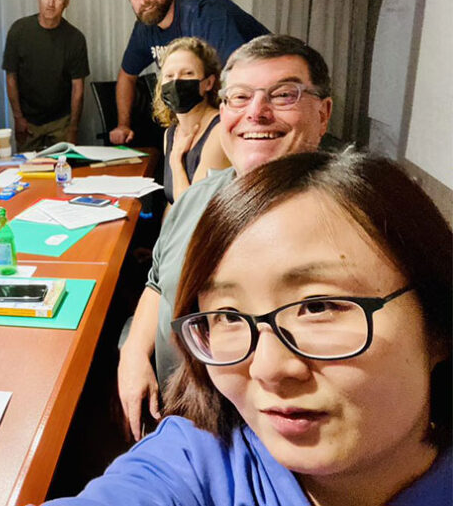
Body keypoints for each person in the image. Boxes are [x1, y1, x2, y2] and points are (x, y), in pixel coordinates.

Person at [43, 150, 452, 506]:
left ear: (437, 323)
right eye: (227, 316)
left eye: (317, 306)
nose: (267, 369)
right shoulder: (196, 460)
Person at [118, 34, 332, 440]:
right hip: (167, 414)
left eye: (283, 95)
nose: (257, 112)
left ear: (323, 113)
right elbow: (157, 283)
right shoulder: (196, 199)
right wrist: (132, 354)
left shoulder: (339, 222)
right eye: (239, 98)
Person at [110, 0, 270, 146]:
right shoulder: (145, 27)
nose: (144, 0)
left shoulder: (204, 13)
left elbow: (237, 74)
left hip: (269, 94)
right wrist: (123, 125)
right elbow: (127, 76)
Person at [2, 0, 90, 151]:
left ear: (66, 1)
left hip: (61, 121)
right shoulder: (19, 31)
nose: (51, 3)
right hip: (28, 120)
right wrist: (18, 118)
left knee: (65, 171)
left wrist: (73, 128)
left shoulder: (75, 38)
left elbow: (78, 89)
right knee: (28, 171)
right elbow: (11, 77)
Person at [152, 37, 230, 205]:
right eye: (169, 75)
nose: (176, 82)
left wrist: (176, 162)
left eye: (188, 73)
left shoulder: (220, 131)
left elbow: (189, 210)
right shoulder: (171, 134)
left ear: (208, 83)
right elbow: (171, 205)